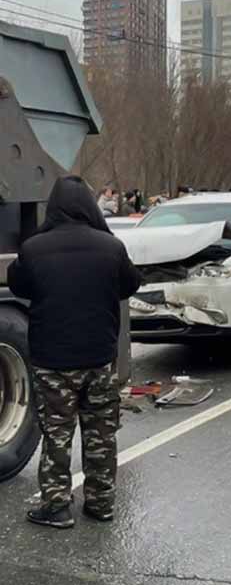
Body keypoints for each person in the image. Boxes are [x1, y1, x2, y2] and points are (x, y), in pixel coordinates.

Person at [8, 176, 142, 527]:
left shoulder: (35, 247)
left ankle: (56, 506)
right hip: (98, 358)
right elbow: (131, 284)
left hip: (53, 360)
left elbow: (18, 283)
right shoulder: (110, 247)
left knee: (57, 433)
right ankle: (101, 502)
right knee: (100, 432)